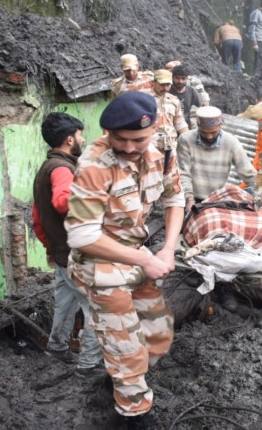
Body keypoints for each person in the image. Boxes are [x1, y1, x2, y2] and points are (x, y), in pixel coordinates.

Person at [65, 91, 185, 429]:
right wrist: (144, 261)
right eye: (120, 139)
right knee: (129, 352)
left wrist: (167, 249)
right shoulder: (94, 164)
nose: (130, 148)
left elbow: (176, 198)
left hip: (139, 254)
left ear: (155, 129)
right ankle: (133, 414)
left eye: (138, 140)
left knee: (158, 337)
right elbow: (82, 236)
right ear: (108, 132)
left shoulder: (163, 149)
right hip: (99, 264)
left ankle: (116, 378)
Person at [31, 113, 103, 376]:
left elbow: (37, 216)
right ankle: (89, 364)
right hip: (74, 255)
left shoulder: (47, 166)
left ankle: (57, 347)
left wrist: (50, 248)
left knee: (65, 304)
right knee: (96, 309)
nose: (83, 139)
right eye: (81, 135)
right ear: (70, 138)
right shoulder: (62, 169)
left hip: (61, 254)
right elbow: (62, 202)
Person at [177, 106, 257, 209]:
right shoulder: (186, 140)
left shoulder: (231, 142)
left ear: (220, 125)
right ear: (198, 125)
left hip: (217, 200)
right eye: (204, 133)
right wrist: (189, 199)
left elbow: (248, 173)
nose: (209, 136)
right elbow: (183, 174)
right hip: (191, 198)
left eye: (213, 132)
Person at [147, 69, 188, 170]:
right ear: (153, 82)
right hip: (151, 147)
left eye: (168, 85)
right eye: (162, 84)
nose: (165, 88)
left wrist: (188, 140)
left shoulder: (173, 100)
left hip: (171, 146)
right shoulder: (143, 98)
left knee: (171, 178)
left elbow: (180, 123)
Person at [169, 64, 202, 130]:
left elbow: (202, 107)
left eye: (183, 78)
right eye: (177, 78)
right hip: (170, 126)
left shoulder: (191, 91)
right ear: (172, 78)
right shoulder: (167, 91)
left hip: (186, 126)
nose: (180, 81)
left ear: (187, 78)